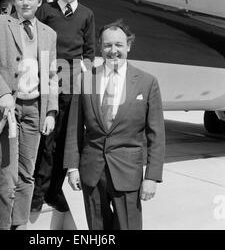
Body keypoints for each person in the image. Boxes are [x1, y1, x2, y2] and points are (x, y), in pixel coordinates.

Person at [64, 19, 165, 230]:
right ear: (101, 47)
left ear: (128, 46)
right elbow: (74, 128)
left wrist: (152, 177)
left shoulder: (147, 82)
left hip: (128, 173)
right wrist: (72, 167)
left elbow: (156, 135)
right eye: (108, 45)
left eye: (119, 45)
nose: (113, 51)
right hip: (92, 173)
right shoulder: (85, 80)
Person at [0, 0, 58, 230]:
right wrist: (2, 94)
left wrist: (51, 112)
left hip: (35, 109)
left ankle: (19, 224)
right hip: (7, 111)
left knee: (27, 174)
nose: (25, 2)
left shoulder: (49, 34)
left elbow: (53, 75)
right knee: (7, 176)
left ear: (38, 1)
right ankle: (2, 226)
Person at [31, 0, 95, 212]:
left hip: (73, 80)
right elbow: (36, 42)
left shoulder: (87, 15)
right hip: (49, 78)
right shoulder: (46, 11)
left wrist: (83, 82)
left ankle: (54, 191)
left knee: (66, 140)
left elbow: (89, 52)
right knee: (47, 139)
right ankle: (37, 191)